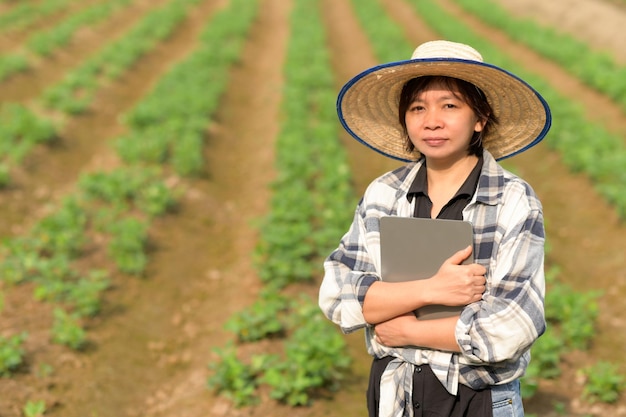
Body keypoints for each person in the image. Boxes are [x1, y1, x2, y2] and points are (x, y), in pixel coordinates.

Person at [318, 40, 551, 417]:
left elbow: (512, 326)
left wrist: (405, 329)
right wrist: (432, 289)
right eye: (417, 108)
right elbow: (337, 293)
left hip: (478, 399)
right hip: (395, 395)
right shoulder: (384, 193)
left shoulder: (512, 200)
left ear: (480, 119)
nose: (432, 121)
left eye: (450, 106)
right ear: (405, 119)